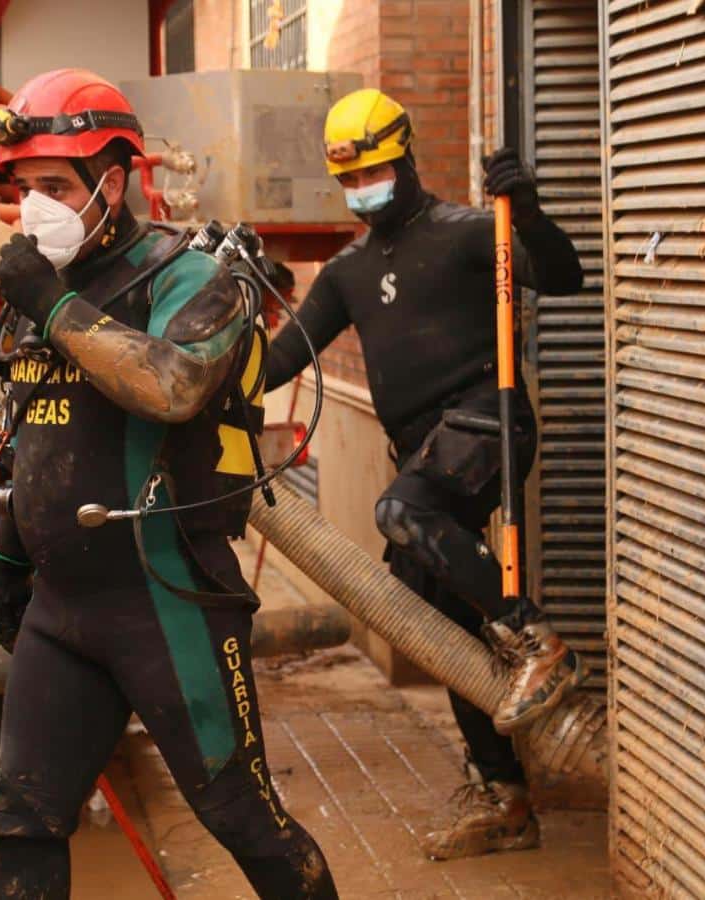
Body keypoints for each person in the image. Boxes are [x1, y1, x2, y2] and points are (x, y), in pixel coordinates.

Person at [0, 68, 337, 899]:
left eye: (56, 186)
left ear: (114, 179)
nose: (37, 206)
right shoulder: (47, 283)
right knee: (20, 821)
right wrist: (7, 560)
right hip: (61, 612)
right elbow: (38, 427)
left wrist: (53, 306)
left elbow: (171, 386)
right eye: (25, 187)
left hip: (167, 600)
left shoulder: (191, 279)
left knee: (245, 817)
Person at [265, 88, 587, 860]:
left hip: (486, 420)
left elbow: (563, 277)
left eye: (372, 172)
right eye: (347, 181)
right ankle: (505, 797)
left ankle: (534, 637)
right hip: (422, 451)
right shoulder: (346, 271)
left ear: (404, 159)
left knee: (402, 514)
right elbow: (280, 360)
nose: (360, 191)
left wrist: (529, 209)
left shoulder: (470, 231)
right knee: (438, 624)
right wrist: (225, 335)